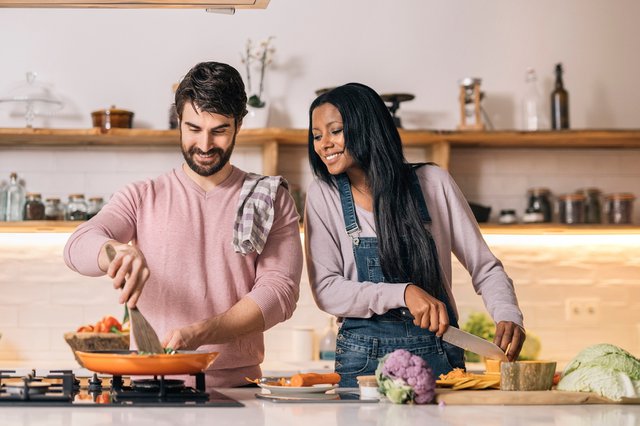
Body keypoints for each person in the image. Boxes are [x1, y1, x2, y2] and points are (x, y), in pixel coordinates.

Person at [64, 61, 303, 388]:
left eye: (219, 130)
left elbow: (280, 293)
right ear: (178, 121)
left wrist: (205, 332)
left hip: (238, 391)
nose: (205, 145)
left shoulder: (269, 198)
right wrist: (116, 252)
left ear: (239, 125)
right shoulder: (143, 196)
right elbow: (78, 245)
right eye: (193, 129)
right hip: (150, 385)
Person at [304, 82, 525, 387]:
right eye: (317, 136)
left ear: (367, 126)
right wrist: (403, 292)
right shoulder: (323, 195)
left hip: (439, 356)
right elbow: (327, 289)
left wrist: (508, 314)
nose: (323, 144)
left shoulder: (433, 182)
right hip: (363, 362)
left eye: (335, 131)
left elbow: (485, 267)